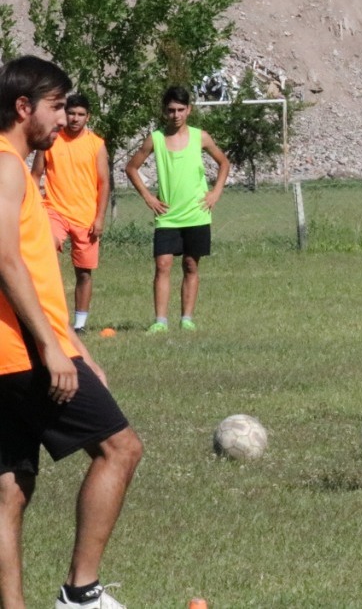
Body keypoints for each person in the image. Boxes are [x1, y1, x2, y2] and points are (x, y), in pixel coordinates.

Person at [0, 56, 143, 609]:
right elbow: (7, 261)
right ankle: (81, 594)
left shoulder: (17, 165)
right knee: (120, 449)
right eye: (56, 107)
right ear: (22, 107)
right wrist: (51, 349)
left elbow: (35, 270)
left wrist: (77, 345)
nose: (63, 119)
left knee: (11, 486)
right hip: (26, 353)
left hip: (23, 350)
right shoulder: (7, 165)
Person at [124, 86, 230, 333]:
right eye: (171, 110)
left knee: (191, 265)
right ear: (164, 111)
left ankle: (187, 319)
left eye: (181, 109)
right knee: (162, 265)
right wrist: (148, 197)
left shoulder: (200, 136)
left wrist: (216, 192)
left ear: (189, 110)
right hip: (167, 216)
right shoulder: (155, 139)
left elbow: (224, 162)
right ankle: (160, 321)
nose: (176, 115)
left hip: (197, 213)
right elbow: (131, 168)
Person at [31, 94, 109, 335]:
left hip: (85, 217)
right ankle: (46, 317)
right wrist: (35, 208)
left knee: (83, 272)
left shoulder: (96, 144)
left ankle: (80, 324)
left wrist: (99, 218)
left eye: (80, 114)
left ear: (88, 117)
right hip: (54, 211)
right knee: (45, 258)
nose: (75, 119)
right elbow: (35, 175)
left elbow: (104, 183)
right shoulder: (51, 140)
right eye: (71, 113)